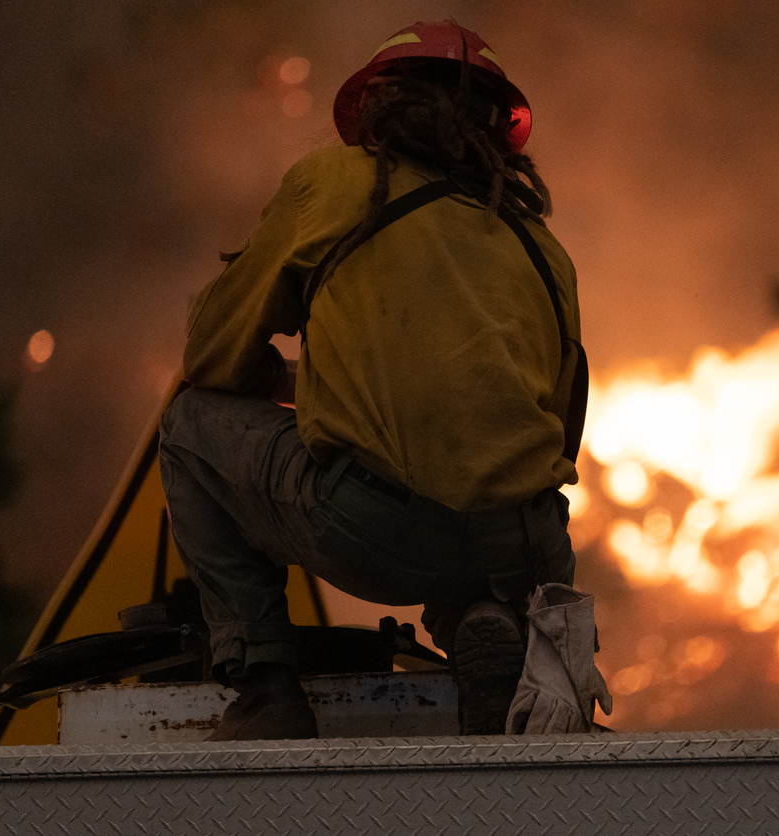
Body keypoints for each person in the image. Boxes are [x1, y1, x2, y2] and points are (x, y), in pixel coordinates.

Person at [158, 20, 586, 740]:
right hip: (528, 547)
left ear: (376, 109)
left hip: (374, 529)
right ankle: (481, 622)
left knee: (189, 425)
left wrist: (278, 378)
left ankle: (263, 681)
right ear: (496, 128)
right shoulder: (542, 245)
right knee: (472, 530)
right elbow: (562, 421)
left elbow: (210, 356)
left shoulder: (332, 183)